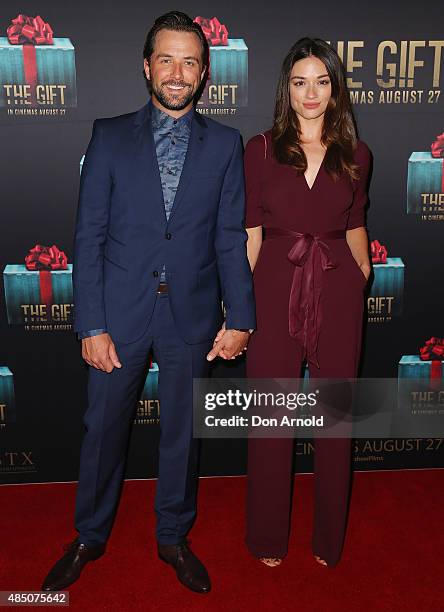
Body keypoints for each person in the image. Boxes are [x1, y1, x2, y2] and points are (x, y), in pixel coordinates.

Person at [42, 11, 255, 594]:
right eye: (166, 58)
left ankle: (173, 536)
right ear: (146, 65)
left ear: (205, 72)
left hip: (191, 313)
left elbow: (229, 237)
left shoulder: (226, 145)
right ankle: (89, 535)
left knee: (182, 436)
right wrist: (91, 321)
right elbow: (87, 238)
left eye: (190, 61)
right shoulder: (108, 136)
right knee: (103, 430)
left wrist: (241, 315)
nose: (177, 72)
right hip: (119, 312)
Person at [244, 38, 371, 568]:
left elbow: (357, 224)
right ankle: (269, 537)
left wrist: (360, 278)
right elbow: (250, 231)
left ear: (335, 88)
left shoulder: (359, 155)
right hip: (274, 289)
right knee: (272, 421)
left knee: (333, 423)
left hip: (338, 289)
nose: (311, 93)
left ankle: (328, 540)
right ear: (286, 89)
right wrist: (240, 308)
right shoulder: (261, 149)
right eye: (300, 82)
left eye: (321, 81)